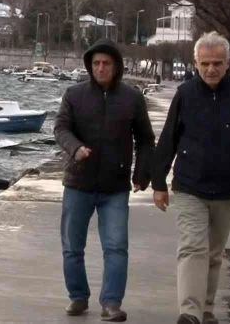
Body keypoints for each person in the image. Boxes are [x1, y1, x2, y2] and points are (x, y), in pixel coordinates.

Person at [151, 31, 230, 324]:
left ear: (228, 62)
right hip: (189, 186)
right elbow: (168, 140)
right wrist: (158, 184)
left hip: (227, 189)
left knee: (213, 254)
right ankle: (190, 313)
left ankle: (206, 309)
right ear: (195, 63)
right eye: (205, 63)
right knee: (193, 248)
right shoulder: (185, 94)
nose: (211, 69)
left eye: (217, 63)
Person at [54, 38, 156, 322]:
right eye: (96, 63)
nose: (101, 68)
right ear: (89, 66)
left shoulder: (132, 98)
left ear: (116, 67)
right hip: (78, 183)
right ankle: (78, 296)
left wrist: (142, 173)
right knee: (72, 246)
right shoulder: (74, 95)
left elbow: (146, 140)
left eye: (106, 63)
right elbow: (60, 128)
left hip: (115, 187)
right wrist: (76, 149)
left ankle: (111, 303)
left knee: (116, 246)